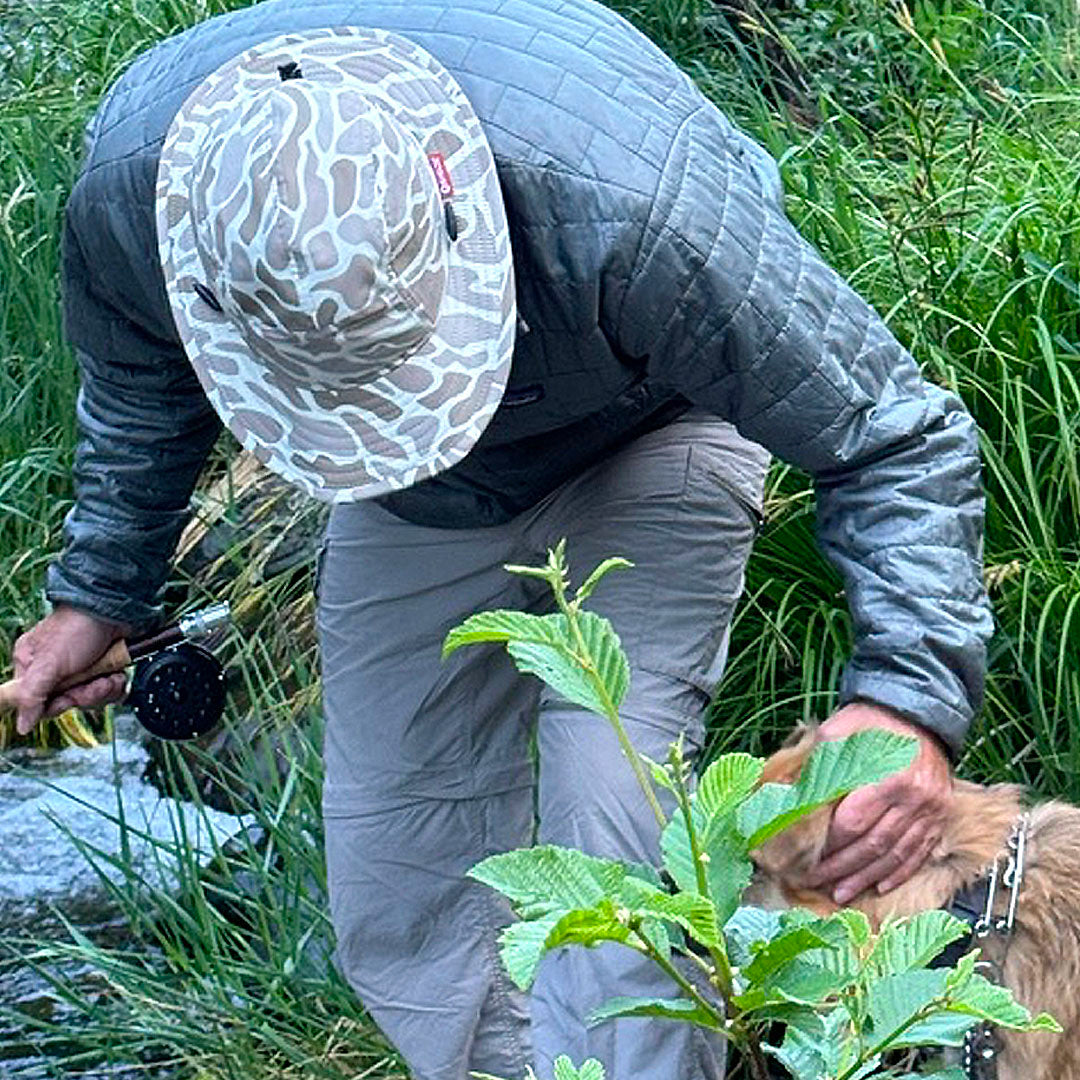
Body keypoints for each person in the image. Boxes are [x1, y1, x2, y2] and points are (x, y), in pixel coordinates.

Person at [9, 1, 991, 1078]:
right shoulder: (130, 192)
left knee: (611, 828)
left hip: (651, 422)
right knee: (396, 869)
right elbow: (141, 385)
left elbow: (893, 432)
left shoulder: (641, 211)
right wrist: (97, 595)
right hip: (419, 500)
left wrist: (907, 702)